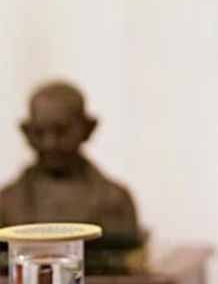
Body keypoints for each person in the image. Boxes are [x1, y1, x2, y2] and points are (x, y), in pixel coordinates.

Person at [0, 81, 140, 240]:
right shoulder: (7, 202)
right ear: (26, 132)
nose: (49, 143)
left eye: (61, 131)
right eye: (39, 132)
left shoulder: (114, 201)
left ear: (87, 129)